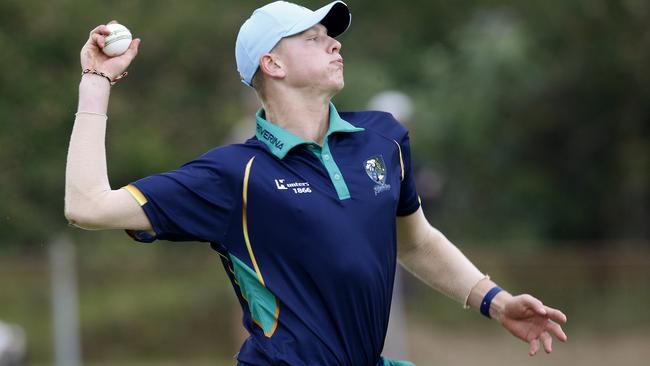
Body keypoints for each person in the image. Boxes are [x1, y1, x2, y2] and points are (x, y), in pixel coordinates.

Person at [65, 1, 568, 365]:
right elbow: (87, 205)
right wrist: (97, 80)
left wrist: (496, 301)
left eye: (331, 34)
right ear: (273, 64)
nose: (334, 42)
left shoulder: (383, 139)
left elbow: (416, 242)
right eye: (312, 37)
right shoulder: (233, 174)